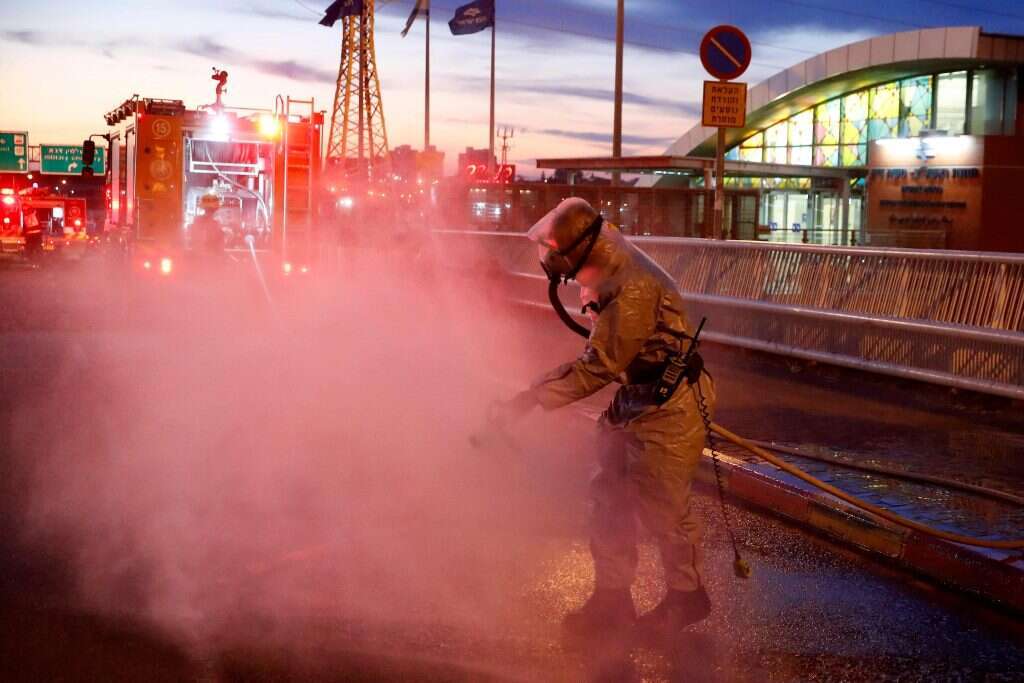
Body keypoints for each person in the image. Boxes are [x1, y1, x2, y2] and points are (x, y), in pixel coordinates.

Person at [493, 197, 716, 644]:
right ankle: (612, 598)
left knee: (664, 505)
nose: (552, 258)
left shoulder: (632, 285)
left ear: (580, 244)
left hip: (669, 405)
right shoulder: (606, 264)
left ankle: (686, 596)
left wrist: (529, 399)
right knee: (609, 497)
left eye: (557, 248)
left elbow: (599, 365)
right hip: (639, 395)